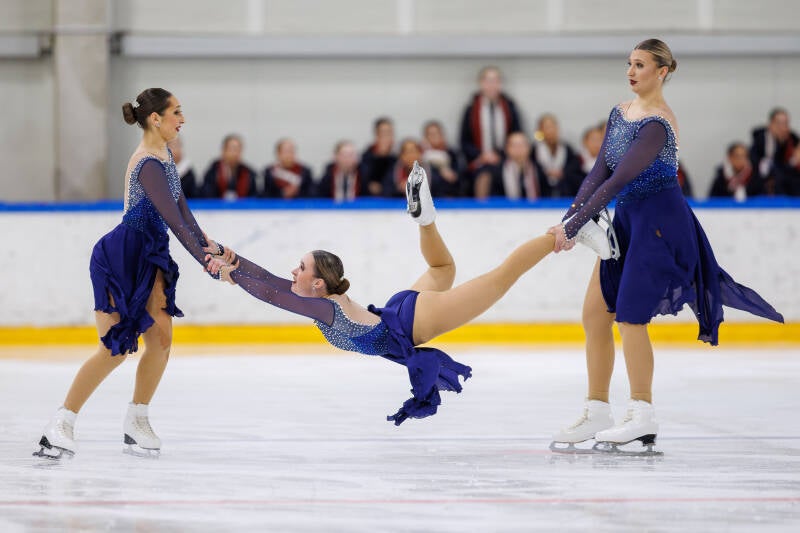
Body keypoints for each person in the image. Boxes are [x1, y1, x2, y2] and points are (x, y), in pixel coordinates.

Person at [206, 162, 611, 426]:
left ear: (318, 284)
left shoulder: (322, 308)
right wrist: (234, 263)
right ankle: (425, 220)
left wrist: (235, 272)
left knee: (501, 278)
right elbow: (274, 285)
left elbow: (273, 293)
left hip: (411, 320)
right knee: (443, 269)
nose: (293, 271)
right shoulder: (321, 302)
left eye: (301, 267)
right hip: (400, 311)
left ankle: (570, 228)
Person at [547, 39, 784, 454]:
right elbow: (598, 170)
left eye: (640, 65)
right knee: (594, 313)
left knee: (632, 316)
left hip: (659, 223)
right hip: (627, 222)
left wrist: (577, 225)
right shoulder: (620, 113)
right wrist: (570, 218)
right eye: (629, 64)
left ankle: (642, 415)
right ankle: (597, 409)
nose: (631, 71)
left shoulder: (658, 123)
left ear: (663, 71)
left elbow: (618, 180)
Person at [34, 88, 234, 459]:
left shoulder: (166, 156)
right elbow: (174, 222)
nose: (182, 119)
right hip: (121, 256)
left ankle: (136, 420)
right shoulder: (147, 163)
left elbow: (184, 215)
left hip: (151, 255)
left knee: (161, 340)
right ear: (155, 118)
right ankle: (60, 423)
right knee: (115, 348)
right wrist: (209, 264)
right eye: (176, 112)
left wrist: (213, 249)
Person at [459, 66, 523, 198]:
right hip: (480, 160)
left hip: (506, 158)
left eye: (495, 81)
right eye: (488, 81)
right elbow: (464, 141)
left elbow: (516, 133)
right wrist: (482, 155)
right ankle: (483, 213)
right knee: (484, 175)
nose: (492, 85)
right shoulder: (471, 109)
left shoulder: (509, 107)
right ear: (481, 83)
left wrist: (501, 153)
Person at [748, 108, 800, 196]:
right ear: (771, 125)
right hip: (763, 188)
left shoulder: (793, 140)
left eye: (786, 123)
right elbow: (759, 168)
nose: (783, 128)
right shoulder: (761, 142)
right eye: (780, 124)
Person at [532, 113, 583, 198]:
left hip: (564, 193)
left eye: (553, 127)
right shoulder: (534, 150)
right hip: (541, 194)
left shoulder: (567, 149)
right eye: (547, 127)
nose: (551, 131)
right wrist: (545, 173)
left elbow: (574, 167)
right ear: (540, 130)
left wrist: (563, 173)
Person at [490, 132, 547, 199]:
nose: (519, 149)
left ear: (529, 147)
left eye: (522, 145)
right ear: (507, 148)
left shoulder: (537, 168)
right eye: (514, 145)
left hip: (536, 208)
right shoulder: (497, 170)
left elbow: (545, 193)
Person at [201, 134, 257, 199]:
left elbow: (253, 196)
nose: (236, 153)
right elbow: (207, 195)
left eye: (238, 150)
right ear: (223, 151)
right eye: (233, 149)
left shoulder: (248, 173)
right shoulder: (213, 172)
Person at [421, 120, 465, 197]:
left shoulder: (453, 154)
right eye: (430, 134)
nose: (434, 137)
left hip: (451, 197)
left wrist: (453, 175)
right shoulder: (420, 156)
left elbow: (459, 176)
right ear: (425, 137)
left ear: (442, 135)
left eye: (437, 133)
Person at [360, 117, 397, 197]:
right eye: (383, 132)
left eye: (389, 132)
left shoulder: (398, 155)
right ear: (376, 134)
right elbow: (364, 180)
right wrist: (380, 157)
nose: (386, 136)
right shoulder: (367, 155)